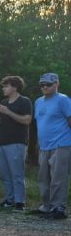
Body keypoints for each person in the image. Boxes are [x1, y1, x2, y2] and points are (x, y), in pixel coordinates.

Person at [33, 72, 71, 220]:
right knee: (43, 178)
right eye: (42, 84)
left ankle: (58, 208)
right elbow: (40, 124)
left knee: (58, 177)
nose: (44, 87)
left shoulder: (63, 100)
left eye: (48, 84)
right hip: (44, 146)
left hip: (61, 144)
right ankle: (46, 206)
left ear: (56, 84)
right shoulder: (38, 102)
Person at [0, 76, 32, 211]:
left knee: (17, 173)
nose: (4, 88)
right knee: (5, 174)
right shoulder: (4, 102)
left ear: (15, 87)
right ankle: (10, 200)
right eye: (3, 86)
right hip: (1, 142)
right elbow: (6, 121)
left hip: (16, 142)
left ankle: (20, 203)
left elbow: (27, 120)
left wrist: (7, 112)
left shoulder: (24, 101)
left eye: (6, 86)